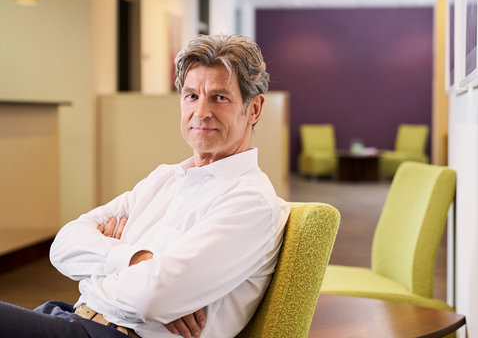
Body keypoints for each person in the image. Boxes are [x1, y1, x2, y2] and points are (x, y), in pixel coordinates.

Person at [0, 34, 289, 338]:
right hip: (70, 316)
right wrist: (137, 259)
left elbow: (152, 297)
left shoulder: (250, 201)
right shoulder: (165, 178)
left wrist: (96, 274)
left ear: (254, 109)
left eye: (219, 98)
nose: (201, 112)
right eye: (191, 96)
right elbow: (62, 246)